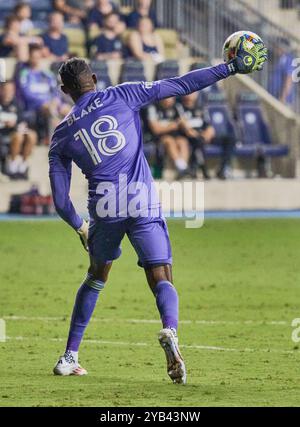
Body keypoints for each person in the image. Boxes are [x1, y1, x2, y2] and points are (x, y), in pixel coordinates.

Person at [49, 36, 267, 382]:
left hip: (103, 205)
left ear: (65, 89)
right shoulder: (122, 94)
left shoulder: (61, 135)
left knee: (96, 276)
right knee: (161, 274)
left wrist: (80, 226)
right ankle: (170, 331)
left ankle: (69, 356)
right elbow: (181, 85)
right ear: (94, 78)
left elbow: (60, 200)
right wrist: (229, 68)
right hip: (140, 197)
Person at [16, 45, 60, 145]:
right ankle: (53, 142)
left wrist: (56, 101)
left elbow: (55, 92)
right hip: (33, 105)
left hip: (50, 104)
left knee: (67, 108)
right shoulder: (25, 73)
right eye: (33, 57)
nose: (35, 59)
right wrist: (45, 102)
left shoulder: (47, 74)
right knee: (50, 109)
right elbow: (26, 94)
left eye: (38, 57)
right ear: (29, 57)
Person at [0, 81, 37, 179]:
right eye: (6, 90)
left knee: (32, 135)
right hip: (3, 134)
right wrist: (5, 123)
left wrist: (18, 125)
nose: (9, 92)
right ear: (1, 90)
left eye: (11, 90)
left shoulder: (17, 104)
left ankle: (22, 165)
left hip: (15, 131)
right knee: (18, 136)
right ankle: (12, 165)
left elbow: (21, 121)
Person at [147, 97, 190, 179]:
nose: (168, 100)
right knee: (169, 141)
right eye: (167, 98)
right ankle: (181, 167)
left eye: (171, 98)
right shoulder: (153, 108)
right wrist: (173, 125)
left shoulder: (177, 107)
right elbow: (156, 129)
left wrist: (181, 125)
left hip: (175, 135)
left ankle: (182, 168)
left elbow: (184, 122)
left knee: (183, 142)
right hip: (158, 137)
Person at [176, 92, 215, 179]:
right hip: (188, 134)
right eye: (189, 93)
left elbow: (209, 126)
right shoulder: (179, 107)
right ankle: (203, 168)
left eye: (193, 93)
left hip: (201, 135)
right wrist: (196, 134)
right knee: (198, 141)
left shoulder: (201, 108)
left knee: (228, 139)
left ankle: (194, 168)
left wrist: (207, 134)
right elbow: (183, 124)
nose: (190, 95)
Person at [269, 38, 296, 106]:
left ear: (282, 49)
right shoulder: (278, 59)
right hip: (273, 96)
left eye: (276, 47)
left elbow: (288, 80)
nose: (274, 49)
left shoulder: (288, 60)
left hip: (282, 100)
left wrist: (282, 98)